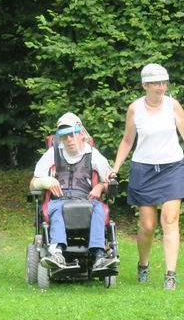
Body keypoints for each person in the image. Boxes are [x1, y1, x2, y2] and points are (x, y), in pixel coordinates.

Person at [109, 63, 184, 290]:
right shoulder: (135, 109)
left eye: (164, 83)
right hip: (144, 169)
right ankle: (143, 264)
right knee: (147, 226)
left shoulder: (173, 106)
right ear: (145, 85)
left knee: (170, 220)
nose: (161, 88)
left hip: (172, 168)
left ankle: (170, 275)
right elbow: (127, 141)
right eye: (156, 84)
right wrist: (115, 167)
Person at [30, 112, 118, 272]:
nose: (69, 140)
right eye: (64, 136)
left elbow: (110, 178)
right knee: (57, 209)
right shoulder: (53, 153)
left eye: (72, 134)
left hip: (86, 200)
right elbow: (32, 184)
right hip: (59, 200)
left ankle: (99, 255)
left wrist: (100, 187)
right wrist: (46, 181)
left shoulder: (92, 154)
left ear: (81, 133)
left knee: (98, 208)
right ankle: (57, 254)